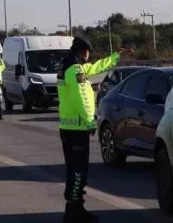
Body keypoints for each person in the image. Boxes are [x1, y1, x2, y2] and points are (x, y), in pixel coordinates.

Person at [57, 37, 122, 223]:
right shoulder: (75, 70)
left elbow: (96, 68)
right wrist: (89, 123)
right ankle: (73, 211)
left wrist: (116, 56)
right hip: (76, 129)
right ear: (81, 51)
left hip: (69, 127)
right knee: (78, 171)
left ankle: (75, 208)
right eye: (87, 52)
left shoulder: (69, 67)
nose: (89, 55)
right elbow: (82, 99)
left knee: (75, 169)